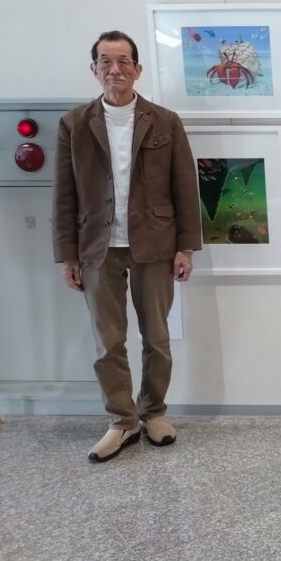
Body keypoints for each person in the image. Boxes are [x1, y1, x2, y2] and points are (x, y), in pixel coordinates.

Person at [52, 30, 202, 463]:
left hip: (155, 241)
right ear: (94, 69)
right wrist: (68, 255)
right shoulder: (74, 124)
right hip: (96, 246)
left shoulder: (165, 121)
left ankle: (153, 412)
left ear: (137, 69)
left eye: (123, 61)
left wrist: (186, 247)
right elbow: (63, 194)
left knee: (156, 336)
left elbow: (185, 187)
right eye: (105, 61)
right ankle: (122, 421)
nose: (114, 69)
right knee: (108, 342)